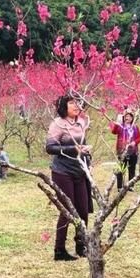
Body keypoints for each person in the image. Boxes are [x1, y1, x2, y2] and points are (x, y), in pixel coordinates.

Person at [45, 95, 91, 261]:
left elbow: (82, 145)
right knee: (66, 210)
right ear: (64, 107)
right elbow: (50, 148)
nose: (76, 105)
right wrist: (74, 148)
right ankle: (59, 250)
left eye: (77, 102)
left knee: (83, 210)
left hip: (80, 171)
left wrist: (87, 158)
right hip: (62, 172)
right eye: (71, 103)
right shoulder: (57, 124)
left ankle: (81, 245)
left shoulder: (81, 123)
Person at [109, 111, 140, 191]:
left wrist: (134, 142)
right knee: (121, 168)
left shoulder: (135, 127)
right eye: (126, 116)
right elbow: (114, 132)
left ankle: (130, 185)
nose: (128, 118)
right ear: (124, 118)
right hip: (122, 150)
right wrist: (117, 123)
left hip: (133, 151)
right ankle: (119, 187)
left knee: (132, 168)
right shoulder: (120, 126)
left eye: (130, 117)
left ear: (132, 118)